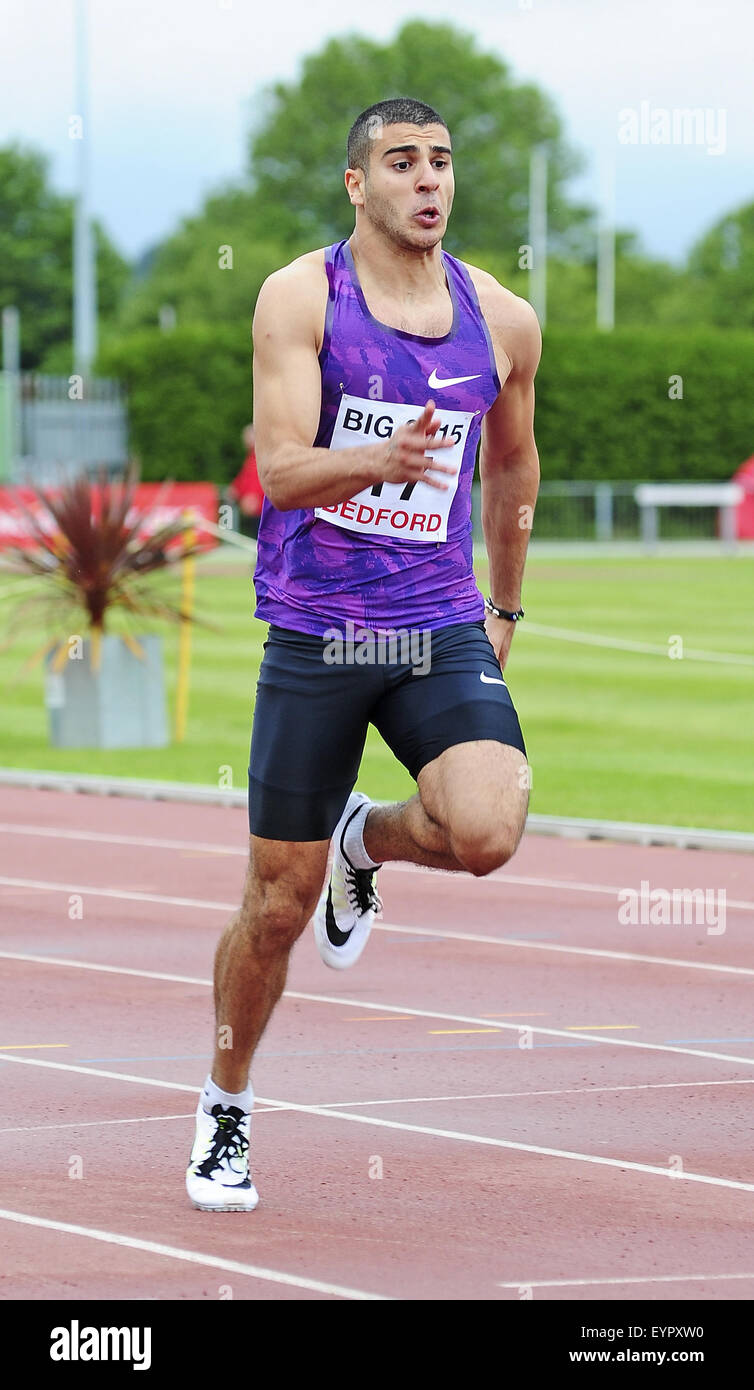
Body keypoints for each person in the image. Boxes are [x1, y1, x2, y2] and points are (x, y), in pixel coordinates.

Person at [186, 96, 541, 1211]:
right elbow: (282, 472)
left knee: (486, 826)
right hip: (319, 626)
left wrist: (506, 608)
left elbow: (513, 470)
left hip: (432, 621)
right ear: (357, 184)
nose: (427, 181)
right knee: (276, 905)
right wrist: (373, 457)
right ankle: (225, 1107)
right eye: (401, 163)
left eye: (440, 161)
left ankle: (367, 841)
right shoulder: (300, 297)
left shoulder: (504, 317)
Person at [227, 423, 265, 538]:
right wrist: (235, 489)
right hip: (256, 508)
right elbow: (244, 478)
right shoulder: (251, 456)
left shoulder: (260, 455)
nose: (244, 439)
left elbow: (261, 478)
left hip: (262, 508)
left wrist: (254, 496)